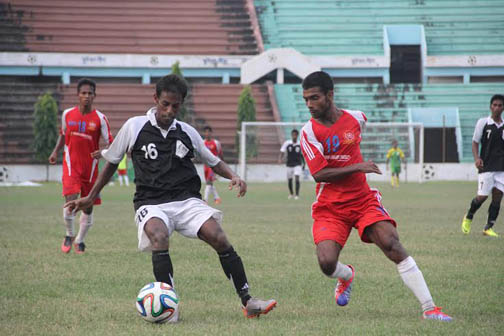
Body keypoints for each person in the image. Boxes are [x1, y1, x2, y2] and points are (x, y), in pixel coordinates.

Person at [64, 74, 276, 320]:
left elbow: (212, 160)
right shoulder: (134, 126)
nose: (169, 110)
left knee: (218, 236)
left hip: (187, 200)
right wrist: (90, 197)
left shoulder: (187, 132)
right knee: (159, 236)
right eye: (165, 104)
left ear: (181, 104)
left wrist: (233, 176)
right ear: (155, 99)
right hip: (150, 202)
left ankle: (248, 301)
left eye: (175, 106)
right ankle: (169, 308)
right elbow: (112, 160)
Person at [299, 71, 452, 321]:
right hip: (330, 207)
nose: (309, 105)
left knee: (392, 244)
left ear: (329, 95)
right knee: (327, 263)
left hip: (362, 201)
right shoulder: (309, 132)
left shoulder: (357, 119)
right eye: (306, 99)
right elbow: (319, 174)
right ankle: (346, 274)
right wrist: (358, 167)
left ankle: (430, 309)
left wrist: (357, 168)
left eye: (314, 98)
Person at [49, 78, 113, 254]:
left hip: (90, 169)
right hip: (71, 166)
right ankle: (69, 235)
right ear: (78, 95)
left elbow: (111, 144)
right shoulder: (67, 114)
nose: (86, 96)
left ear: (94, 96)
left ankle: (80, 240)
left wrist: (103, 152)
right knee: (70, 202)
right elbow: (63, 135)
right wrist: (55, 152)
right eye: (83, 93)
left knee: (88, 205)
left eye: (89, 93)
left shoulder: (100, 119)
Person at [461, 94, 504, 237]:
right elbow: (475, 142)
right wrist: (476, 158)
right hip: (486, 166)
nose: (497, 108)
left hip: (501, 168)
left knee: (498, 197)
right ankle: (469, 216)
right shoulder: (483, 122)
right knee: (482, 196)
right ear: (491, 106)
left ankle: (488, 227)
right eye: (495, 105)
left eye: (500, 105)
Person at [278, 129, 304, 199]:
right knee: (290, 180)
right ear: (291, 135)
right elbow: (282, 151)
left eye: (295, 135)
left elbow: (302, 155)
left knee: (297, 178)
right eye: (293, 135)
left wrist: (303, 164)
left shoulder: (300, 144)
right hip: (289, 164)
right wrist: (280, 159)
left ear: (297, 136)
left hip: (297, 164)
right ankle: (291, 193)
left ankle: (297, 195)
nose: (294, 136)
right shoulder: (287, 143)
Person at [202, 126, 223, 204]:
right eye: (206, 132)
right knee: (209, 183)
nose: (207, 134)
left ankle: (205, 200)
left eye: (209, 132)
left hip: (213, 166)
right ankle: (217, 198)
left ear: (211, 133)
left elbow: (220, 154)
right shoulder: (202, 143)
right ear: (204, 133)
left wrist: (222, 166)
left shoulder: (216, 143)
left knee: (208, 182)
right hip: (205, 166)